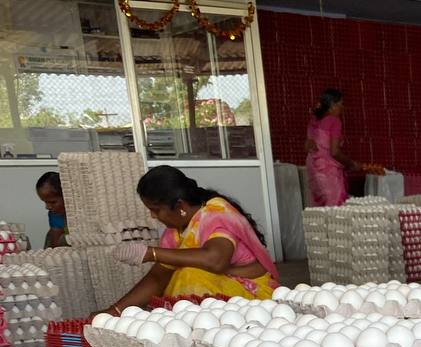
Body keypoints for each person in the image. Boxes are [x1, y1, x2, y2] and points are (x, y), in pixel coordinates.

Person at [105, 165, 277, 309]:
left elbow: (216, 260)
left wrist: (151, 253)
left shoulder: (216, 214)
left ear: (179, 205)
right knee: (177, 276)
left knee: (191, 274)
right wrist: (114, 311)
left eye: (156, 209)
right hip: (222, 301)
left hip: (254, 297)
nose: (153, 216)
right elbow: (158, 278)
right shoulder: (174, 232)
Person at [306, 88, 362, 207]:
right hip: (328, 171)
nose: (342, 108)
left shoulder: (314, 121)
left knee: (319, 211)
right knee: (334, 213)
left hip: (314, 169)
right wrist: (351, 164)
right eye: (341, 104)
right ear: (332, 105)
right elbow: (334, 152)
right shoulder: (334, 121)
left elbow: (308, 145)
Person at [36, 172, 68, 248]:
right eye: (45, 202)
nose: (47, 207)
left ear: (66, 196)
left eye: (52, 202)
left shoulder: (81, 213)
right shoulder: (54, 215)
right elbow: (55, 245)